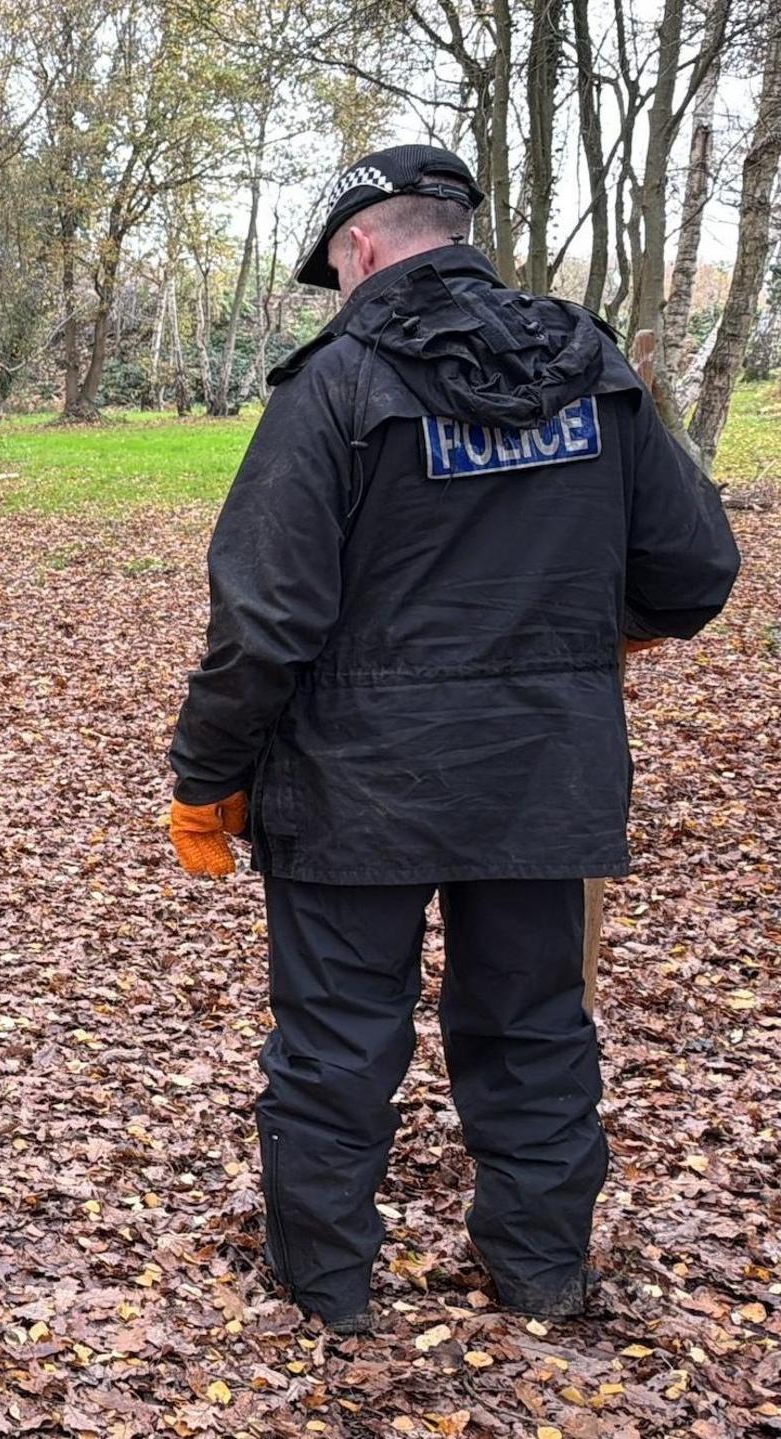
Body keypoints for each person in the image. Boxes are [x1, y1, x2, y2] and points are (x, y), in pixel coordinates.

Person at [165, 145, 740, 1335]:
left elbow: (264, 621)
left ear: (359, 245)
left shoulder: (333, 386)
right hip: (542, 770)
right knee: (532, 1025)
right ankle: (538, 1274)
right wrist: (582, 640)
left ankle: (324, 1288)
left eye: (333, 266)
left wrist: (205, 776)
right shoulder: (591, 364)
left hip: (351, 782)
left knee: (334, 1034)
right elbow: (691, 572)